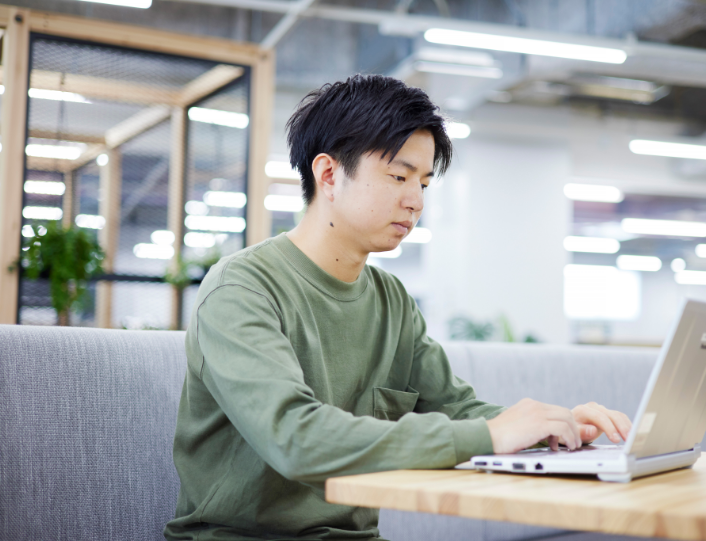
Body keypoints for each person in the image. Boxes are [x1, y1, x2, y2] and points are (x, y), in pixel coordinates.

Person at [164, 74, 632, 541]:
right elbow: (296, 439)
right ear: (328, 175)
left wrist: (551, 428)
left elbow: (454, 408)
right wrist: (492, 436)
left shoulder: (391, 299)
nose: (415, 202)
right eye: (397, 176)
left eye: (424, 183)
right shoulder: (242, 288)